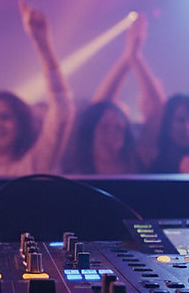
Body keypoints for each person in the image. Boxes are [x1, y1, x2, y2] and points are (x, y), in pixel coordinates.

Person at [0, 0, 75, 176]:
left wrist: (43, 45)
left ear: (20, 126)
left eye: (4, 117)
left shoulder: (35, 165)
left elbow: (62, 110)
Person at [66, 14, 165, 174]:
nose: (111, 135)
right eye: (104, 127)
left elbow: (158, 110)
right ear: (91, 131)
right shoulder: (80, 170)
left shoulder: (135, 162)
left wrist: (134, 56)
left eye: (119, 128)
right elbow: (97, 109)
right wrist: (128, 57)